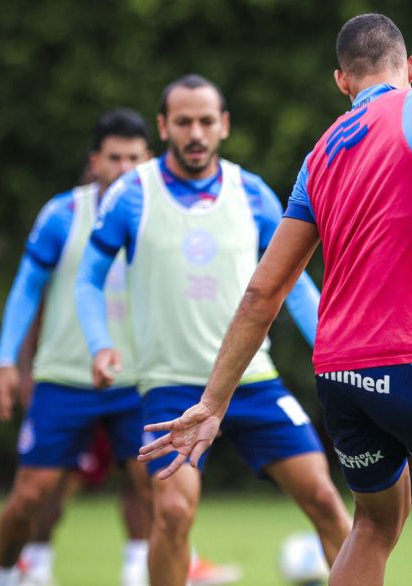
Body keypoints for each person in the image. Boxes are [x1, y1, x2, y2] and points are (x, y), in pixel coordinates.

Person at [137, 13, 412, 586]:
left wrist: (213, 403)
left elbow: (262, 292)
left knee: (374, 523)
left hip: (339, 374)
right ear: (411, 68)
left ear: (342, 82)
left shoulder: (318, 156)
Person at [74, 74, 352, 586]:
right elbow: (88, 279)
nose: (195, 132)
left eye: (206, 120)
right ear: (164, 127)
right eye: (183, 121)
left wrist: (332, 346)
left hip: (253, 382)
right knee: (174, 513)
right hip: (171, 387)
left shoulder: (253, 194)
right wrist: (100, 344)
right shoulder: (134, 194)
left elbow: (294, 283)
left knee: (327, 503)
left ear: (223, 125)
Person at [0, 109, 153, 586]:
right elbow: (25, 288)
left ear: (149, 161)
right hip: (65, 378)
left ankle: (138, 574)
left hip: (139, 377)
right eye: (114, 158)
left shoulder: (165, 215)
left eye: (133, 159)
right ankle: (6, 574)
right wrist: (6, 362)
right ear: (94, 161)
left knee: (154, 486)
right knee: (32, 495)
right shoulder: (63, 214)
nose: (123, 168)